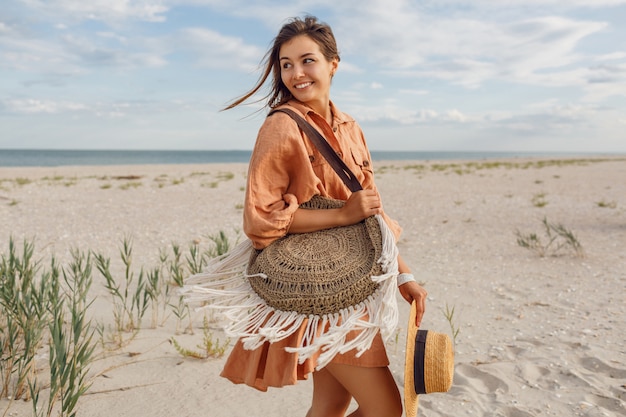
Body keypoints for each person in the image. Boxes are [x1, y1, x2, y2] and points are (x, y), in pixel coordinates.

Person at [201, 15, 426, 417]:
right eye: (286, 64)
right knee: (389, 411)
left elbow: (371, 213)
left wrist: (404, 274)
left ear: (332, 64)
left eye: (307, 61)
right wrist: (341, 216)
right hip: (315, 285)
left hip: (354, 279)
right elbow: (260, 221)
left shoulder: (350, 126)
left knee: (331, 404)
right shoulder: (281, 127)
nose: (296, 73)